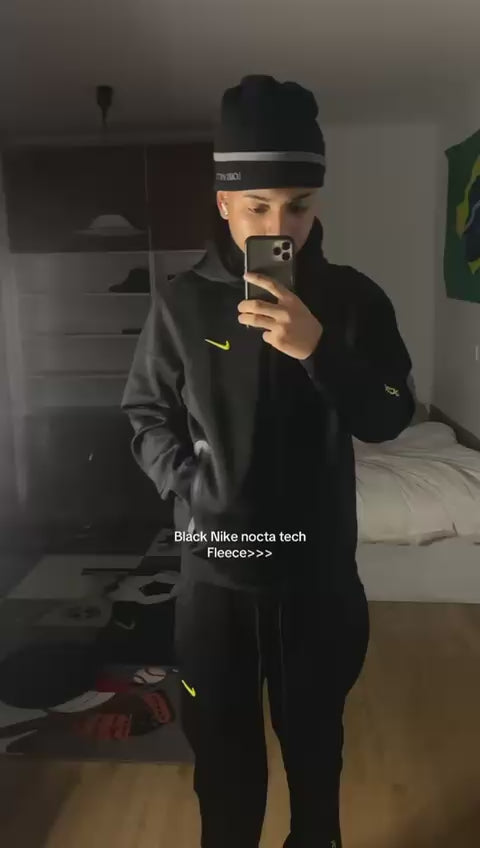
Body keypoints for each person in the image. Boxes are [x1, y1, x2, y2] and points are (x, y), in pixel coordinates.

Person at [121, 74, 415, 848]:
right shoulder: (181, 304)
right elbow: (145, 414)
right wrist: (191, 484)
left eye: (298, 206)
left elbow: (391, 413)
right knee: (224, 773)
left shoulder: (353, 300)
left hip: (317, 582)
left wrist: (319, 349)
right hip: (213, 585)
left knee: (316, 759)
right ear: (224, 203)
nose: (280, 226)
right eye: (257, 206)